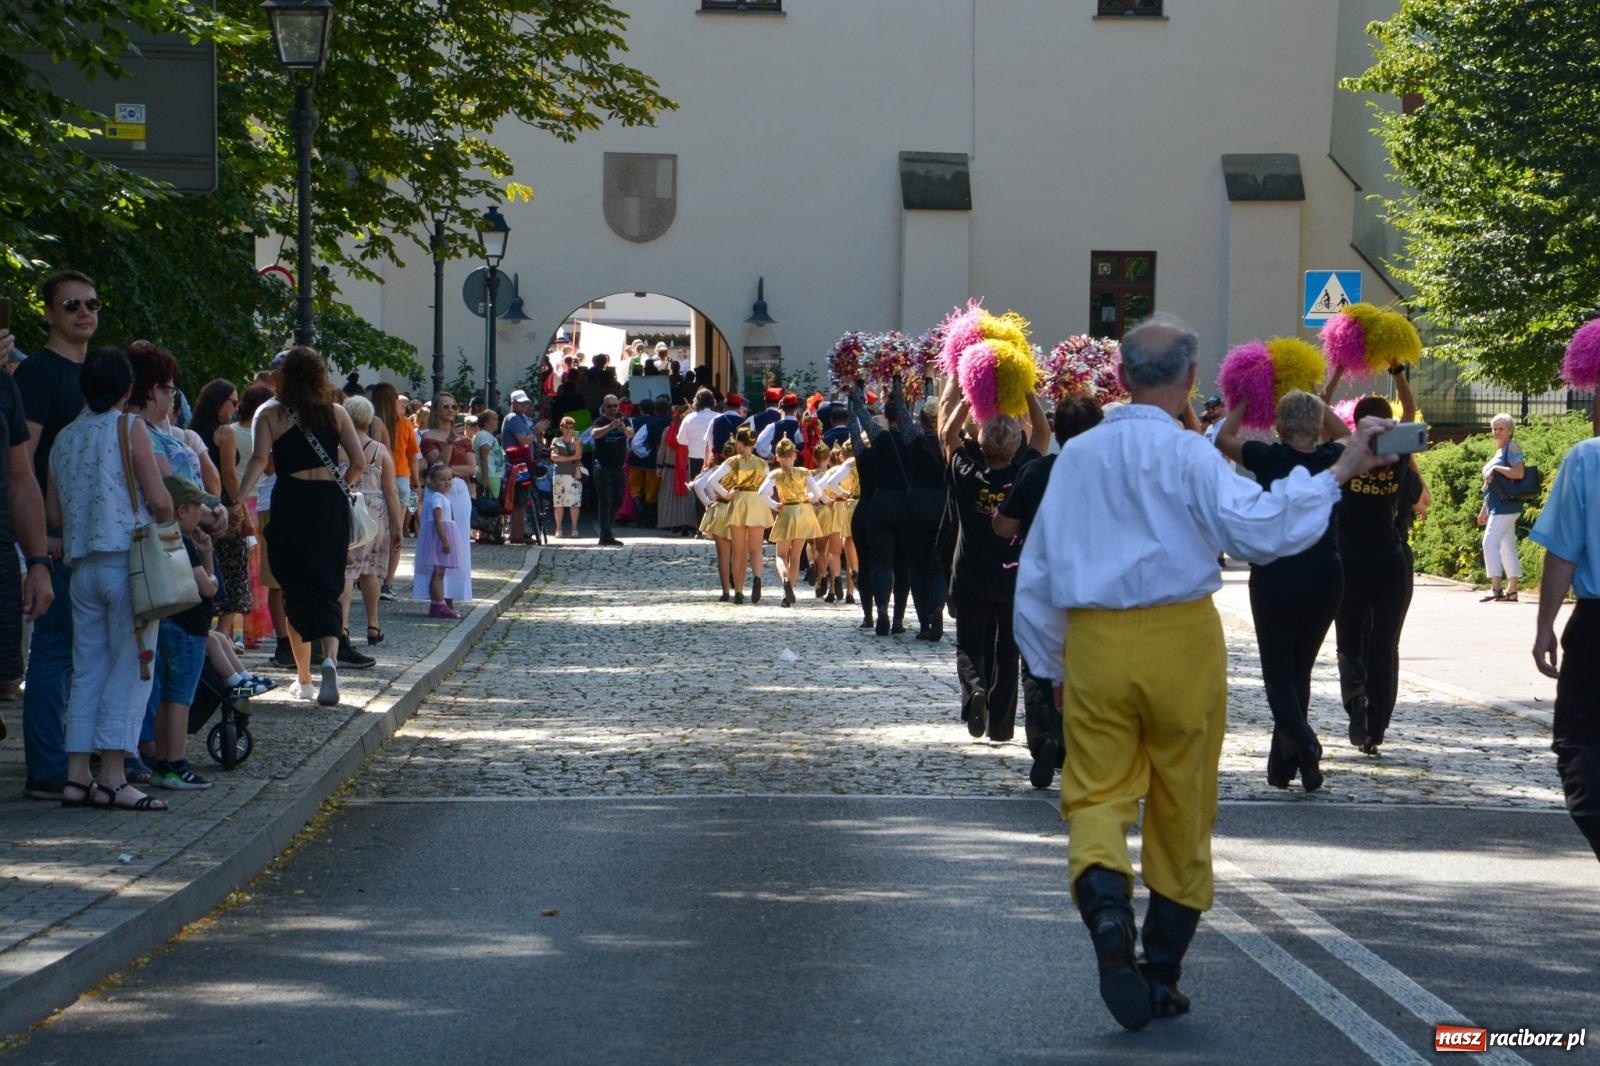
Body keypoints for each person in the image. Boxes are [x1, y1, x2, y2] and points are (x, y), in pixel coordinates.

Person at [1013, 315, 1398, 1031]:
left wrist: (1049, 664)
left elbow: (1038, 570)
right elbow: (1262, 530)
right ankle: (1161, 971)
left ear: (1120, 377)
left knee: (1096, 792)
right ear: (1191, 379)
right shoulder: (1191, 454)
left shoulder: (1078, 457)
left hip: (1095, 639)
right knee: (1183, 799)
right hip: (1181, 638)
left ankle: (1106, 905)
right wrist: (1341, 469)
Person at [49, 347, 174, 811]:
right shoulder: (129, 427)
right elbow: (159, 499)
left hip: (82, 569)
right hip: (128, 565)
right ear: (127, 389)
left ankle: (77, 775)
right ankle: (114, 778)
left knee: (87, 670)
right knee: (132, 667)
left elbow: (53, 514)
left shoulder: (64, 437)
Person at [1215, 390, 1350, 792]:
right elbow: (1346, 434)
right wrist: (1320, 404)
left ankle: (1305, 743)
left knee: (1278, 673)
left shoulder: (1267, 457)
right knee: (1299, 670)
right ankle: (1288, 765)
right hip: (1326, 572)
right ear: (1317, 425)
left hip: (1276, 573)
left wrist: (1244, 397)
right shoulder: (1332, 458)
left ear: (1278, 424)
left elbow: (1223, 439)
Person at [237, 347, 367, 707]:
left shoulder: (270, 414)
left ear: (284, 377)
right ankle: (331, 659)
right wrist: (339, 488)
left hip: (291, 501)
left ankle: (304, 677)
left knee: (294, 586)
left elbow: (259, 461)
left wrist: (237, 499)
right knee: (328, 582)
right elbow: (358, 462)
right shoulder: (337, 412)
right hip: (328, 502)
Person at [994, 395, 1104, 789]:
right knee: (1088, 662)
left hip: (1042, 580)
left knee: (1038, 662)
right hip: (1095, 582)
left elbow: (1003, 526)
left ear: (1058, 431)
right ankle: (1080, 739)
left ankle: (1045, 737)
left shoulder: (1037, 471)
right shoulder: (1111, 474)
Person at [16, 270, 97, 799]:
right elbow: (23, 461)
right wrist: (42, 536)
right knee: (54, 648)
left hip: (96, 537)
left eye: (91, 304)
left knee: (89, 651)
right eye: (71, 305)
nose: (84, 312)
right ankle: (46, 769)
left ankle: (85, 759)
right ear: (48, 313)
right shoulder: (39, 373)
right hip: (56, 537)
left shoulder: (96, 373)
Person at [939, 383, 1050, 743]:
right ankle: (1001, 726)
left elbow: (948, 435)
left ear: (982, 445)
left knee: (969, 645)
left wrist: (965, 395)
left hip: (970, 573)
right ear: (1015, 446)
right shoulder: (1024, 474)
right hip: (1013, 577)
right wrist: (1027, 390)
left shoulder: (967, 474)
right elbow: (1043, 433)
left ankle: (975, 688)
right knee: (1008, 652)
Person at [1333, 370, 1417, 756]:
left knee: (1349, 642)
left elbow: (1319, 411)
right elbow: (1410, 413)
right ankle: (1376, 727)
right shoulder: (1398, 451)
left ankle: (1356, 701)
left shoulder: (1346, 450)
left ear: (1356, 420)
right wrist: (1398, 373)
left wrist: (1336, 371)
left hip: (1349, 562)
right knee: (1385, 645)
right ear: (1389, 421)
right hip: (1389, 561)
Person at [1530, 433, 1600, 861]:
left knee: (1580, 744)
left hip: (1596, 626)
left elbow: (1563, 552)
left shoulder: (1589, 458)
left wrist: (1545, 626)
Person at [148, 475, 222, 791]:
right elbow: (207, 588)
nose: (200, 515)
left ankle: (162, 763)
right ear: (181, 511)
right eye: (196, 508)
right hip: (188, 630)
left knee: (165, 696)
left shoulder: (158, 537)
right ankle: (177, 764)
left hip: (166, 624)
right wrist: (208, 561)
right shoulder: (182, 542)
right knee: (181, 698)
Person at [189, 380, 253, 645]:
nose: (236, 408)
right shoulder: (225, 432)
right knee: (233, 577)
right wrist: (241, 508)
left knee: (207, 571)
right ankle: (223, 638)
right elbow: (229, 475)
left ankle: (207, 636)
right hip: (224, 506)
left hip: (198, 506)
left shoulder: (191, 431)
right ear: (219, 403)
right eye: (233, 402)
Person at [340, 395, 400, 654]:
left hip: (346, 509)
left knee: (346, 570)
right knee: (370, 570)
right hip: (374, 514)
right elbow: (391, 491)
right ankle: (373, 625)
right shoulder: (379, 450)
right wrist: (397, 525)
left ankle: (342, 626)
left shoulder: (336, 448)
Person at [705, 427, 772, 603]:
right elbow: (769, 489)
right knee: (755, 549)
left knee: (738, 551)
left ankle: (739, 592)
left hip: (739, 500)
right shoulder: (763, 463)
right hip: (757, 502)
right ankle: (757, 577)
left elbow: (712, 480)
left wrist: (726, 494)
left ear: (740, 443)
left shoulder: (733, 461)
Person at [369, 383, 419, 598]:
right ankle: (387, 583)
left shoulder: (369, 422)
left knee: (372, 529)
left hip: (374, 478)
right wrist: (416, 479)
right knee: (395, 531)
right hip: (399, 477)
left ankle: (368, 575)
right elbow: (412, 455)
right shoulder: (405, 423)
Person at [760, 438, 824, 606]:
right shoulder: (804, 472)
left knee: (781, 555)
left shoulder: (776, 474)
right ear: (794, 456)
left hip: (787, 512)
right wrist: (807, 498)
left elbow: (761, 493)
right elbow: (818, 493)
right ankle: (788, 595)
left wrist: (775, 505)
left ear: (777, 457)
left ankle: (785, 579)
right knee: (795, 556)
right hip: (804, 512)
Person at [1478, 412, 1526, 602]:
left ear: (1510, 431)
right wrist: (1484, 509)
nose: (1497, 432)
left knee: (1489, 542)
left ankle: (1496, 588)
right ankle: (1512, 591)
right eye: (1494, 428)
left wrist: (1496, 468)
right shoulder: (1498, 451)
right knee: (1507, 547)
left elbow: (1519, 473)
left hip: (1506, 507)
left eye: (1501, 428)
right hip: (1497, 506)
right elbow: (1493, 485)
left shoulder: (1512, 447)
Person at [415, 463, 469, 617]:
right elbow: (438, 521)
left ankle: (439, 603)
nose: (447, 482)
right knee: (438, 572)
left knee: (440, 571)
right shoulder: (437, 498)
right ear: (433, 482)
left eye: (449, 479)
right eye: (443, 479)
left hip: (445, 534)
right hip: (440, 537)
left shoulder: (444, 498)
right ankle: (438, 603)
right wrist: (445, 540)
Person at [586, 393, 632, 546]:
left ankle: (607, 530)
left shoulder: (625, 420)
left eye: (615, 406)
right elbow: (594, 434)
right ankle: (605, 535)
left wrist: (622, 428)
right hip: (602, 466)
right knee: (605, 500)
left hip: (618, 467)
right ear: (604, 408)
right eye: (609, 406)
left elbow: (631, 433)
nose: (613, 409)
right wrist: (610, 426)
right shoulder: (599, 421)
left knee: (619, 499)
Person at [656, 404, 698, 535]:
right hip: (686, 469)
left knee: (671, 498)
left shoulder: (668, 430)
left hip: (671, 469)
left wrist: (659, 466)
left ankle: (674, 523)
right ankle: (688, 523)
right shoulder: (692, 430)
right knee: (687, 499)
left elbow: (662, 450)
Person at [473, 408, 507, 544]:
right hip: (490, 474)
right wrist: (486, 478)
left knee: (487, 504)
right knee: (491, 505)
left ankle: (485, 533)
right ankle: (490, 533)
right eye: (494, 419)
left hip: (492, 473)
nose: (497, 422)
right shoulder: (485, 436)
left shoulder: (486, 435)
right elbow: (484, 457)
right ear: (486, 422)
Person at [550, 416, 584, 537]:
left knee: (574, 503)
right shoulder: (556, 441)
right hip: (559, 475)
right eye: (566, 427)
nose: (569, 429)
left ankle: (574, 529)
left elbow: (579, 455)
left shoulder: (577, 440)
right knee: (558, 503)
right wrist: (571, 458)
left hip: (574, 475)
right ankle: (558, 529)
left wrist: (565, 458)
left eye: (571, 427)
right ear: (561, 428)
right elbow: (554, 457)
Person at [677, 387, 719, 480]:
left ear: (696, 402)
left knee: (696, 486)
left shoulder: (688, 418)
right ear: (712, 401)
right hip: (714, 459)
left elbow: (680, 440)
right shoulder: (719, 417)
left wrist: (693, 441)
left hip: (695, 458)